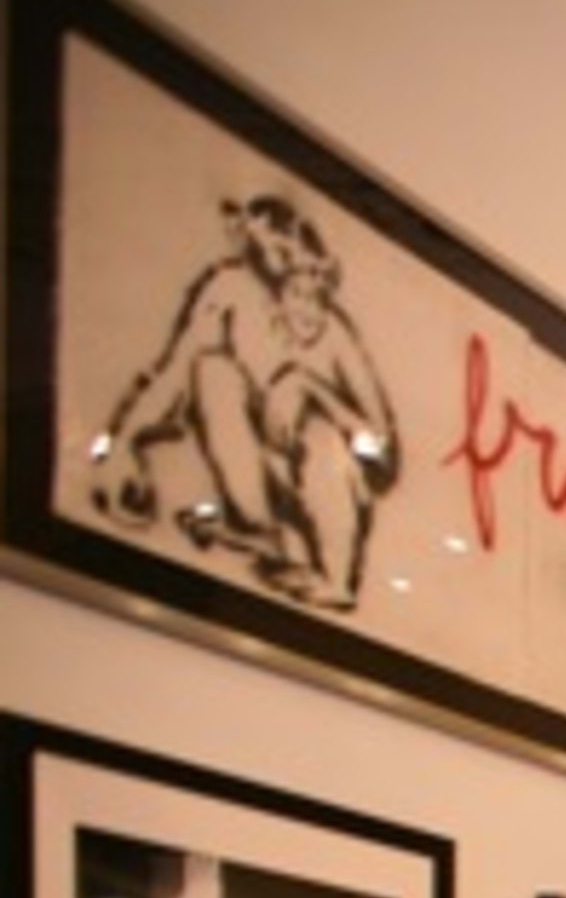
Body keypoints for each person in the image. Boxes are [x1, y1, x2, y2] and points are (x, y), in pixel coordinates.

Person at [89, 192, 401, 612]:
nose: (304, 305)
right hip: (263, 468)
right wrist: (122, 443)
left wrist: (314, 390)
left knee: (321, 432)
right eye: (265, 248)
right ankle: (255, 524)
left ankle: (333, 573)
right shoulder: (231, 291)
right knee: (211, 369)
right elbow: (176, 373)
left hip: (322, 482)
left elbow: (383, 454)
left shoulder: (334, 333)